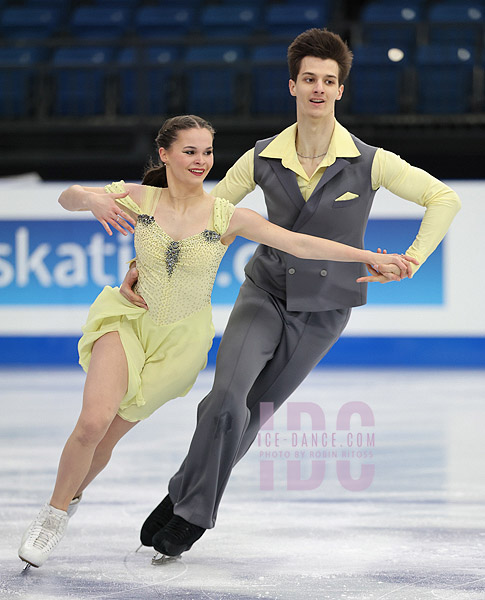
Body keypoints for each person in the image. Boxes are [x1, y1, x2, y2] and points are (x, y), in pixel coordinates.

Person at [17, 115, 413, 569]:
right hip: (127, 321)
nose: (201, 160)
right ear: (164, 154)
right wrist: (90, 199)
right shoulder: (139, 197)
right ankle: (51, 517)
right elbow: (68, 197)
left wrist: (367, 256)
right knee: (92, 423)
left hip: (180, 345)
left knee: (106, 436)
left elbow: (301, 244)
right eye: (189, 151)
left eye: (206, 151)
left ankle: (73, 496)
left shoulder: (228, 216)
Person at [128, 29, 461, 560]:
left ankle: (181, 494)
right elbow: (204, 214)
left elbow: (442, 198)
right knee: (225, 399)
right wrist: (147, 261)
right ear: (293, 85)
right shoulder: (262, 157)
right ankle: (193, 515)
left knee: (253, 415)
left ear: (340, 91)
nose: (319, 89)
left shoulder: (371, 161)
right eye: (310, 78)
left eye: (330, 81)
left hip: (325, 313)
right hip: (265, 293)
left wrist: (414, 257)